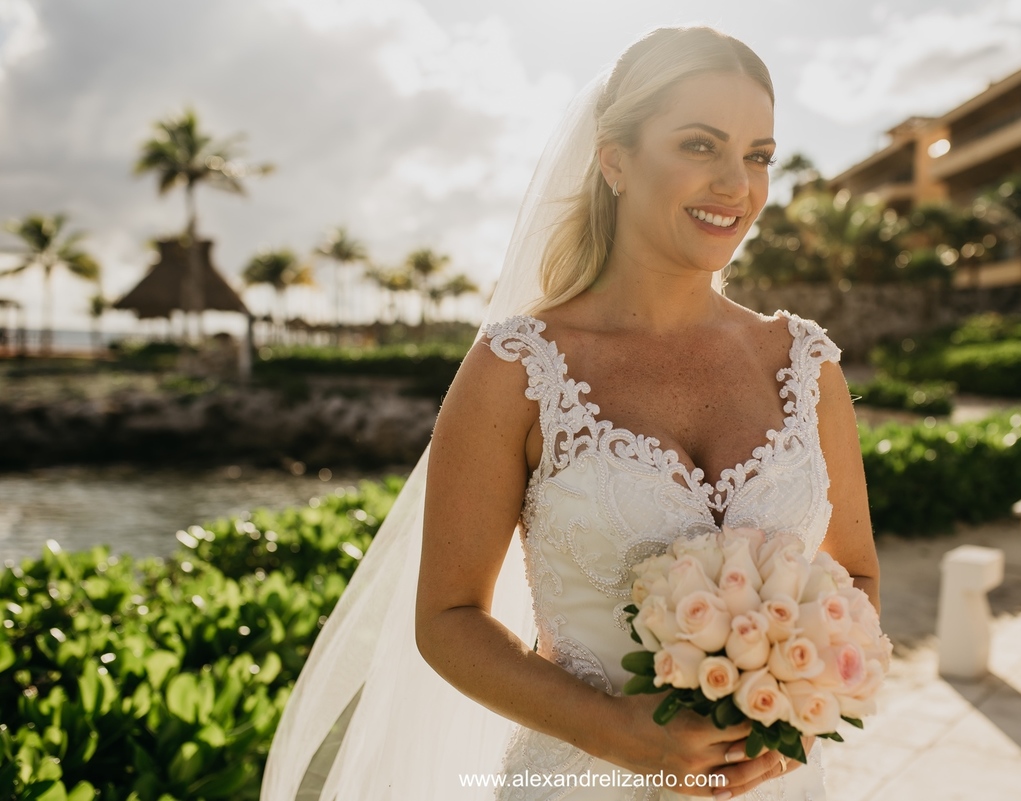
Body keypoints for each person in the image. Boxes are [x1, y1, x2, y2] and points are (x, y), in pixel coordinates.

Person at [262, 26, 877, 801]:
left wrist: (793, 724)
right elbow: (448, 616)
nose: (737, 184)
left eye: (758, 155)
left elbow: (853, 574)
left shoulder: (804, 363)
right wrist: (615, 732)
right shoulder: (518, 370)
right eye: (700, 145)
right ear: (614, 158)